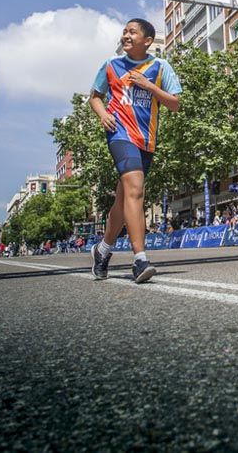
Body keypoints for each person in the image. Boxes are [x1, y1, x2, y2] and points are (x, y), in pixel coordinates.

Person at [88, 18, 182, 283]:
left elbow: (175, 104)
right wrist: (102, 114)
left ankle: (103, 250)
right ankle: (140, 260)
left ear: (148, 40)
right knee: (136, 189)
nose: (126, 36)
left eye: (132, 32)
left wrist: (149, 86)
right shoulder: (110, 65)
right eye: (124, 32)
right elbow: (94, 96)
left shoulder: (161, 67)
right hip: (119, 135)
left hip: (146, 140)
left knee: (124, 199)